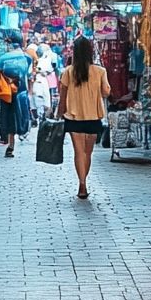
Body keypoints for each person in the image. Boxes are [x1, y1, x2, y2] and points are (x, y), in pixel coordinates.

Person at [56, 36, 111, 199]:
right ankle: (83, 181)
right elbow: (106, 92)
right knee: (88, 153)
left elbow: (62, 96)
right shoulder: (100, 71)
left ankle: (82, 184)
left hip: (73, 118)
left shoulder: (68, 72)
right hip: (93, 118)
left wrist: (59, 114)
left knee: (79, 152)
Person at [0, 36, 32, 158]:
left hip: (6, 92)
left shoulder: (3, 58)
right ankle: (13, 142)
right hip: (21, 91)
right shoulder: (27, 58)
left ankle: (8, 142)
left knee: (8, 117)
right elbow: (29, 74)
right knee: (20, 116)